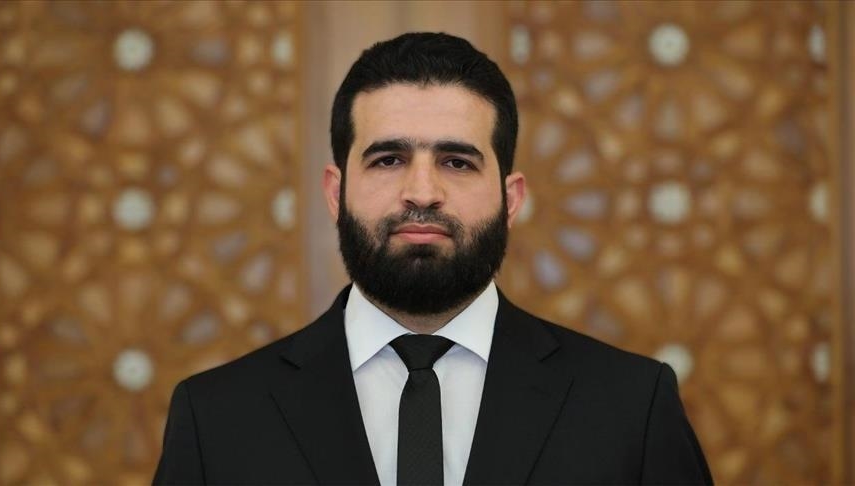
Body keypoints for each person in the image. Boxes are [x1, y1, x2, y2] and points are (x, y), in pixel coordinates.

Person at [153, 32, 713, 486]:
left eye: (457, 162)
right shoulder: (216, 417)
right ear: (335, 193)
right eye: (389, 159)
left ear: (511, 199)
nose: (422, 192)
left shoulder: (632, 407)